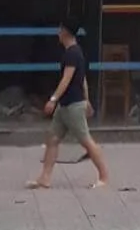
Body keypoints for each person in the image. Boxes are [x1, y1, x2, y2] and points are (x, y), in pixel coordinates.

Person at [28, 20, 110, 190]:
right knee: (52, 139)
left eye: (60, 30)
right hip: (65, 106)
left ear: (66, 32)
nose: (58, 33)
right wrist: (87, 100)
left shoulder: (72, 54)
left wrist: (53, 99)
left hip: (72, 106)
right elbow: (83, 79)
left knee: (86, 141)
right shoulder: (74, 52)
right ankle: (45, 178)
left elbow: (67, 79)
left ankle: (104, 176)